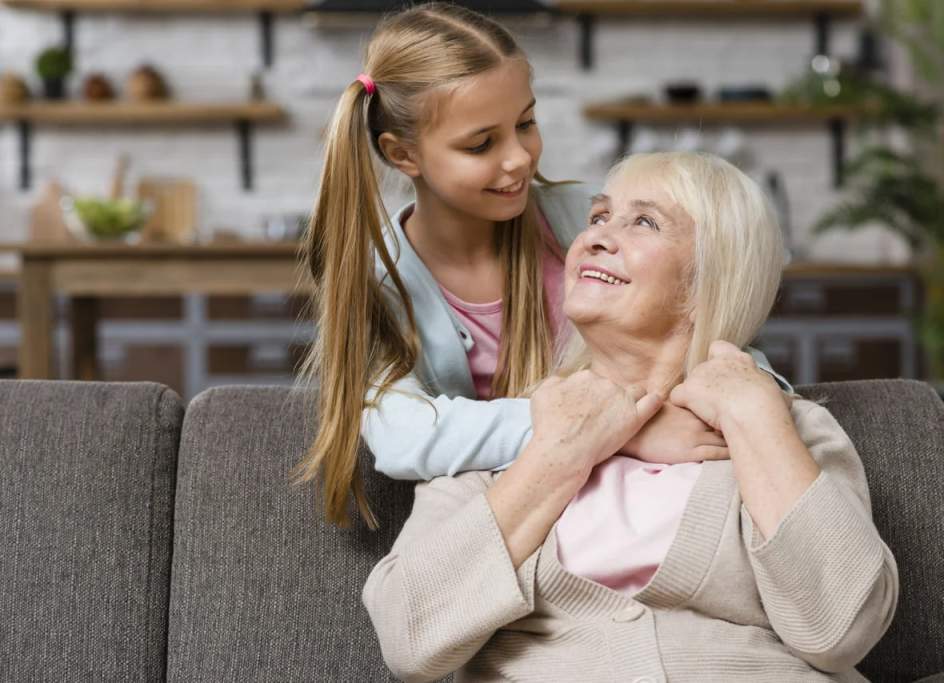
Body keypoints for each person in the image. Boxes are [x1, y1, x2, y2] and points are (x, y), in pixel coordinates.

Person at [362, 151, 899, 682]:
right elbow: (410, 639)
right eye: (598, 217)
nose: (595, 236)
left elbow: (841, 630)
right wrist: (562, 452)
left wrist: (755, 415)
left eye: (644, 221)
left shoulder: (788, 428)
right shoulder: (503, 442)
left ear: (707, 278)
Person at [289, 2, 791, 527]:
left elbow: (711, 323)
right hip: (513, 518)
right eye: (481, 143)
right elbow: (403, 437)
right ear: (403, 155)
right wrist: (615, 429)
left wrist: (753, 400)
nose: (520, 159)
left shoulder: (587, 224)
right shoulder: (375, 279)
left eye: (526, 123)